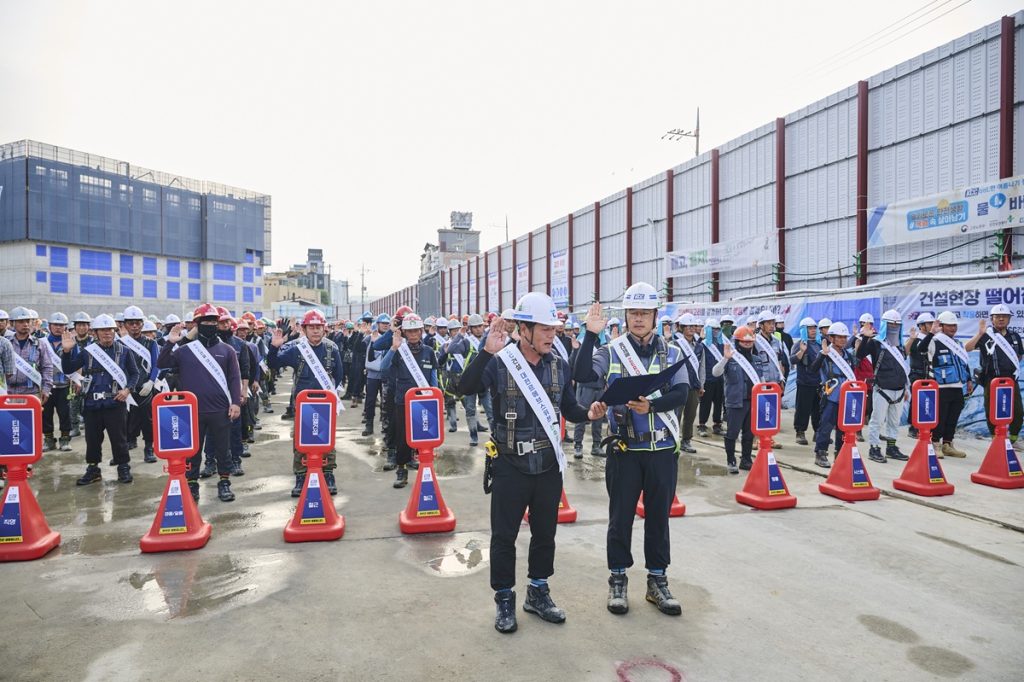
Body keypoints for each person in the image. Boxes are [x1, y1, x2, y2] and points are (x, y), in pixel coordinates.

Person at [462, 293, 606, 634]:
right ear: (524, 329)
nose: (550, 336)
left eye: (554, 330)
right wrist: (485, 352)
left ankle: (538, 592)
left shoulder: (559, 363)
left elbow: (568, 407)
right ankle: (505, 599)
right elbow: (462, 387)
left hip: (547, 465)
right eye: (544, 329)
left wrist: (588, 413)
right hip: (511, 464)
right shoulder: (500, 362)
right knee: (504, 536)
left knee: (545, 534)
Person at [574, 284, 688, 619]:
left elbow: (681, 392)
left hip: (662, 449)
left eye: (644, 313)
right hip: (623, 450)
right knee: (620, 518)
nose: (638, 319)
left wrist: (651, 406)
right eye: (633, 313)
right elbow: (582, 375)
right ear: (625, 316)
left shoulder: (671, 351)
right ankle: (618, 579)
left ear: (656, 315)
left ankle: (657, 580)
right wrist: (590, 335)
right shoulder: (610, 351)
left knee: (658, 519)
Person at [157, 304, 242, 502]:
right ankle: (192, 484)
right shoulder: (185, 350)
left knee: (223, 449)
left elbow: (234, 378)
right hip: (192, 411)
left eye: (214, 321)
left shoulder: (227, 350)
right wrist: (170, 343)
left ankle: (224, 482)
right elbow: (161, 364)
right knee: (193, 451)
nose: (211, 325)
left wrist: (236, 403)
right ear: (197, 324)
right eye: (206, 322)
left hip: (220, 409)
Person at [267, 309, 345, 496]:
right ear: (304, 329)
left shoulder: (331, 348)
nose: (316, 331)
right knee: (300, 439)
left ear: (324, 328)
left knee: (327, 438)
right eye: (312, 327)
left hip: (325, 403)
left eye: (319, 327)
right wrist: (275, 347)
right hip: (302, 403)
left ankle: (328, 472)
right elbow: (273, 364)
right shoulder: (296, 348)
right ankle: (301, 474)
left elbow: (340, 375)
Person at [61, 314, 140, 485]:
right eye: (103, 330)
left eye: (110, 330)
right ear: (95, 333)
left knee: (119, 438)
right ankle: (93, 469)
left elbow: (135, 374)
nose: (107, 333)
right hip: (92, 403)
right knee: (92, 439)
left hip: (115, 402)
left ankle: (123, 467)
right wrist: (66, 352)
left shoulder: (124, 351)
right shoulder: (87, 352)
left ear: (115, 331)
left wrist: (127, 390)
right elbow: (68, 369)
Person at [379, 313, 438, 488]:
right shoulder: (398, 350)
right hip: (403, 401)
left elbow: (433, 376)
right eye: (409, 331)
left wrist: (437, 398)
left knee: (424, 438)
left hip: (425, 402)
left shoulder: (429, 351)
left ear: (421, 331)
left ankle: (425, 471)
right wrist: (393, 348)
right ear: (404, 332)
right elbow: (383, 369)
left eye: (416, 330)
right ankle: (401, 470)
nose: (413, 334)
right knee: (403, 438)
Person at [967, 304, 1024, 449]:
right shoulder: (986, 335)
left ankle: (1012, 439)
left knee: (1017, 410)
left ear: (1009, 319)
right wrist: (979, 334)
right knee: (991, 410)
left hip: (1011, 380)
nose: (1001, 319)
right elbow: (967, 348)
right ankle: (995, 439)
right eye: (997, 317)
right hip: (991, 380)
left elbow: (1019, 356)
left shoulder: (1015, 336)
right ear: (992, 319)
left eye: (1004, 317)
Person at [712, 326, 768, 473]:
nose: (748, 344)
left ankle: (746, 459)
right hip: (735, 402)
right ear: (737, 342)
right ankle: (731, 460)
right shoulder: (731, 358)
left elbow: (761, 379)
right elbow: (716, 372)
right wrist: (725, 358)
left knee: (749, 434)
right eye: (744, 342)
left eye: (750, 342)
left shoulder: (756, 360)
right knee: (732, 433)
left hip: (753, 402)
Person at [857, 310, 910, 463]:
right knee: (877, 420)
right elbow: (860, 355)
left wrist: (905, 388)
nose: (894, 327)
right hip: (882, 388)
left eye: (897, 324)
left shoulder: (899, 347)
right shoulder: (875, 343)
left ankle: (891, 447)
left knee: (894, 422)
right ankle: (874, 448)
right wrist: (866, 338)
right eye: (891, 324)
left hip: (899, 389)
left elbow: (902, 368)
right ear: (885, 325)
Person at [810, 321, 856, 468]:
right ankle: (821, 453)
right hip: (831, 396)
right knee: (826, 426)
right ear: (831, 338)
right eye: (839, 337)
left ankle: (840, 453)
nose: (843, 340)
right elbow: (813, 369)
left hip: (846, 397)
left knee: (844, 428)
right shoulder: (826, 353)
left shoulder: (847, 355)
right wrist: (823, 354)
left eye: (844, 337)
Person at [928, 312, 972, 458]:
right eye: (949, 325)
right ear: (942, 326)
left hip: (958, 387)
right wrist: (931, 334)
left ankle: (948, 444)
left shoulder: (958, 344)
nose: (953, 328)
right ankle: (935, 444)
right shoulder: (934, 341)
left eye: (954, 325)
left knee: (953, 417)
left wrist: (969, 380)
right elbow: (922, 349)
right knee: (940, 417)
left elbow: (964, 363)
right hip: (941, 387)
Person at [121, 306, 160, 464]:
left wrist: (151, 382)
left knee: (147, 419)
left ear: (142, 324)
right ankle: (129, 442)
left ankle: (149, 447)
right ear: (125, 325)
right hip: (126, 388)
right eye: (131, 323)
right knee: (126, 419)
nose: (134, 326)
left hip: (145, 387)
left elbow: (157, 364)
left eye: (137, 323)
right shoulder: (121, 343)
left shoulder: (151, 343)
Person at [440, 313, 486, 446]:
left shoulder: (467, 342)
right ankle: (453, 424)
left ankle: (477, 425)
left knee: (468, 405)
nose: (455, 332)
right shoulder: (446, 344)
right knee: (450, 402)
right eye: (453, 330)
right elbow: (440, 361)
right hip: (449, 378)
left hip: (463, 377)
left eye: (457, 330)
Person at [39, 313, 74, 452]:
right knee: (46, 414)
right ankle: (49, 439)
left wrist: (77, 380)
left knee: (65, 413)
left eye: (61, 325)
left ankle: (65, 439)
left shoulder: (71, 342)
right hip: (46, 386)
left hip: (64, 385)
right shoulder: (42, 342)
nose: (58, 328)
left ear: (65, 327)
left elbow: (76, 362)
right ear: (50, 326)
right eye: (56, 325)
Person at [6, 307, 54, 406]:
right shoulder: (5, 344)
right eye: (21, 321)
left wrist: (46, 389)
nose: (25, 324)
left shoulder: (39, 344)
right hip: (7, 393)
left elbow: (47, 368)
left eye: (28, 321)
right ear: (12, 324)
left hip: (32, 394)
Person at [672, 313, 704, 453]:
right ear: (682, 328)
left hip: (693, 385)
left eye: (693, 326)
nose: (691, 329)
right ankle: (673, 439)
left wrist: (701, 384)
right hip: (678, 385)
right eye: (688, 326)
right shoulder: (674, 344)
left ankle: (686, 440)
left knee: (690, 415)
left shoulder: (699, 346)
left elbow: (702, 366)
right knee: (676, 414)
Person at [790, 317, 822, 446]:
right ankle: (800, 432)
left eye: (814, 328)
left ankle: (818, 432)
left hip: (819, 382)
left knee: (818, 409)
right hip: (805, 382)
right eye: (810, 328)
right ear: (804, 330)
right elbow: (792, 360)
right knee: (803, 409)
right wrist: (801, 351)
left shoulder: (820, 344)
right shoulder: (799, 344)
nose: (813, 331)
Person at [905, 312, 935, 439]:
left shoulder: (933, 339)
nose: (932, 326)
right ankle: (913, 426)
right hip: (917, 374)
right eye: (929, 323)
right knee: (916, 401)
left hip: (929, 374)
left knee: (927, 401)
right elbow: (918, 351)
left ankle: (924, 425)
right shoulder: (916, 339)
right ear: (922, 326)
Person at [362, 314, 392, 437]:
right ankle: (369, 425)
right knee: (370, 400)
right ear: (378, 324)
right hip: (373, 374)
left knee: (387, 402)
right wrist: (364, 335)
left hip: (387, 375)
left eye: (387, 323)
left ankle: (386, 426)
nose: (385, 325)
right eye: (382, 323)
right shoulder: (371, 337)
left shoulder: (391, 337)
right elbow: (359, 348)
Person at [697, 318, 726, 437]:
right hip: (708, 378)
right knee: (706, 403)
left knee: (719, 402)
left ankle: (717, 424)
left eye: (718, 329)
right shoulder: (703, 345)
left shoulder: (721, 345)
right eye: (713, 329)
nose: (716, 331)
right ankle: (702, 425)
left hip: (720, 379)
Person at [67, 312, 94, 437]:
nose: (82, 328)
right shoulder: (70, 342)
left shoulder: (94, 342)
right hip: (73, 377)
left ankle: (89, 426)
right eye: (79, 325)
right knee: (73, 402)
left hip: (91, 377)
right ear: (75, 326)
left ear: (88, 326)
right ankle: (75, 427)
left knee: (88, 404)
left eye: (84, 325)